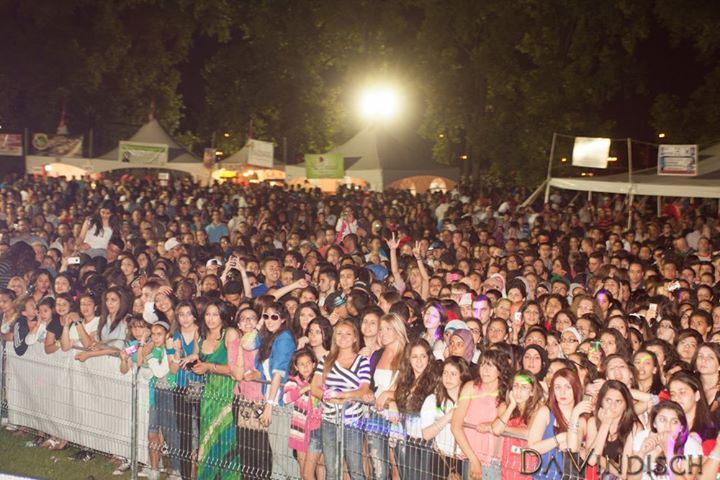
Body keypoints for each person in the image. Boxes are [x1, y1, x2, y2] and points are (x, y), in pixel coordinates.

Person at [311, 319, 371, 480]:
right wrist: (326, 397)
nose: (343, 337)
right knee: (332, 469)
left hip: (353, 422)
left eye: (348, 334)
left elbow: (364, 388)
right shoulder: (326, 360)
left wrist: (342, 396)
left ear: (355, 338)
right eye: (339, 333)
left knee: (355, 469)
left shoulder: (362, 361)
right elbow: (314, 387)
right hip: (329, 420)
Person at [192, 299, 240, 480]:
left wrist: (208, 366)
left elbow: (235, 369)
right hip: (209, 394)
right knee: (208, 438)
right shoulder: (200, 334)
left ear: (223, 315)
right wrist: (193, 360)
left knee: (227, 440)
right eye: (207, 314)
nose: (211, 319)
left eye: (215, 314)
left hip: (228, 394)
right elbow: (200, 359)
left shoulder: (231, 334)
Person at [452, 349, 512, 480]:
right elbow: (456, 426)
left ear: (500, 369)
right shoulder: (471, 387)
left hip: (497, 461)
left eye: (490, 365)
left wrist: (490, 425)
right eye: (483, 364)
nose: (485, 369)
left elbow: (502, 423)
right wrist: (473, 460)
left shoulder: (507, 393)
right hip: (472, 457)